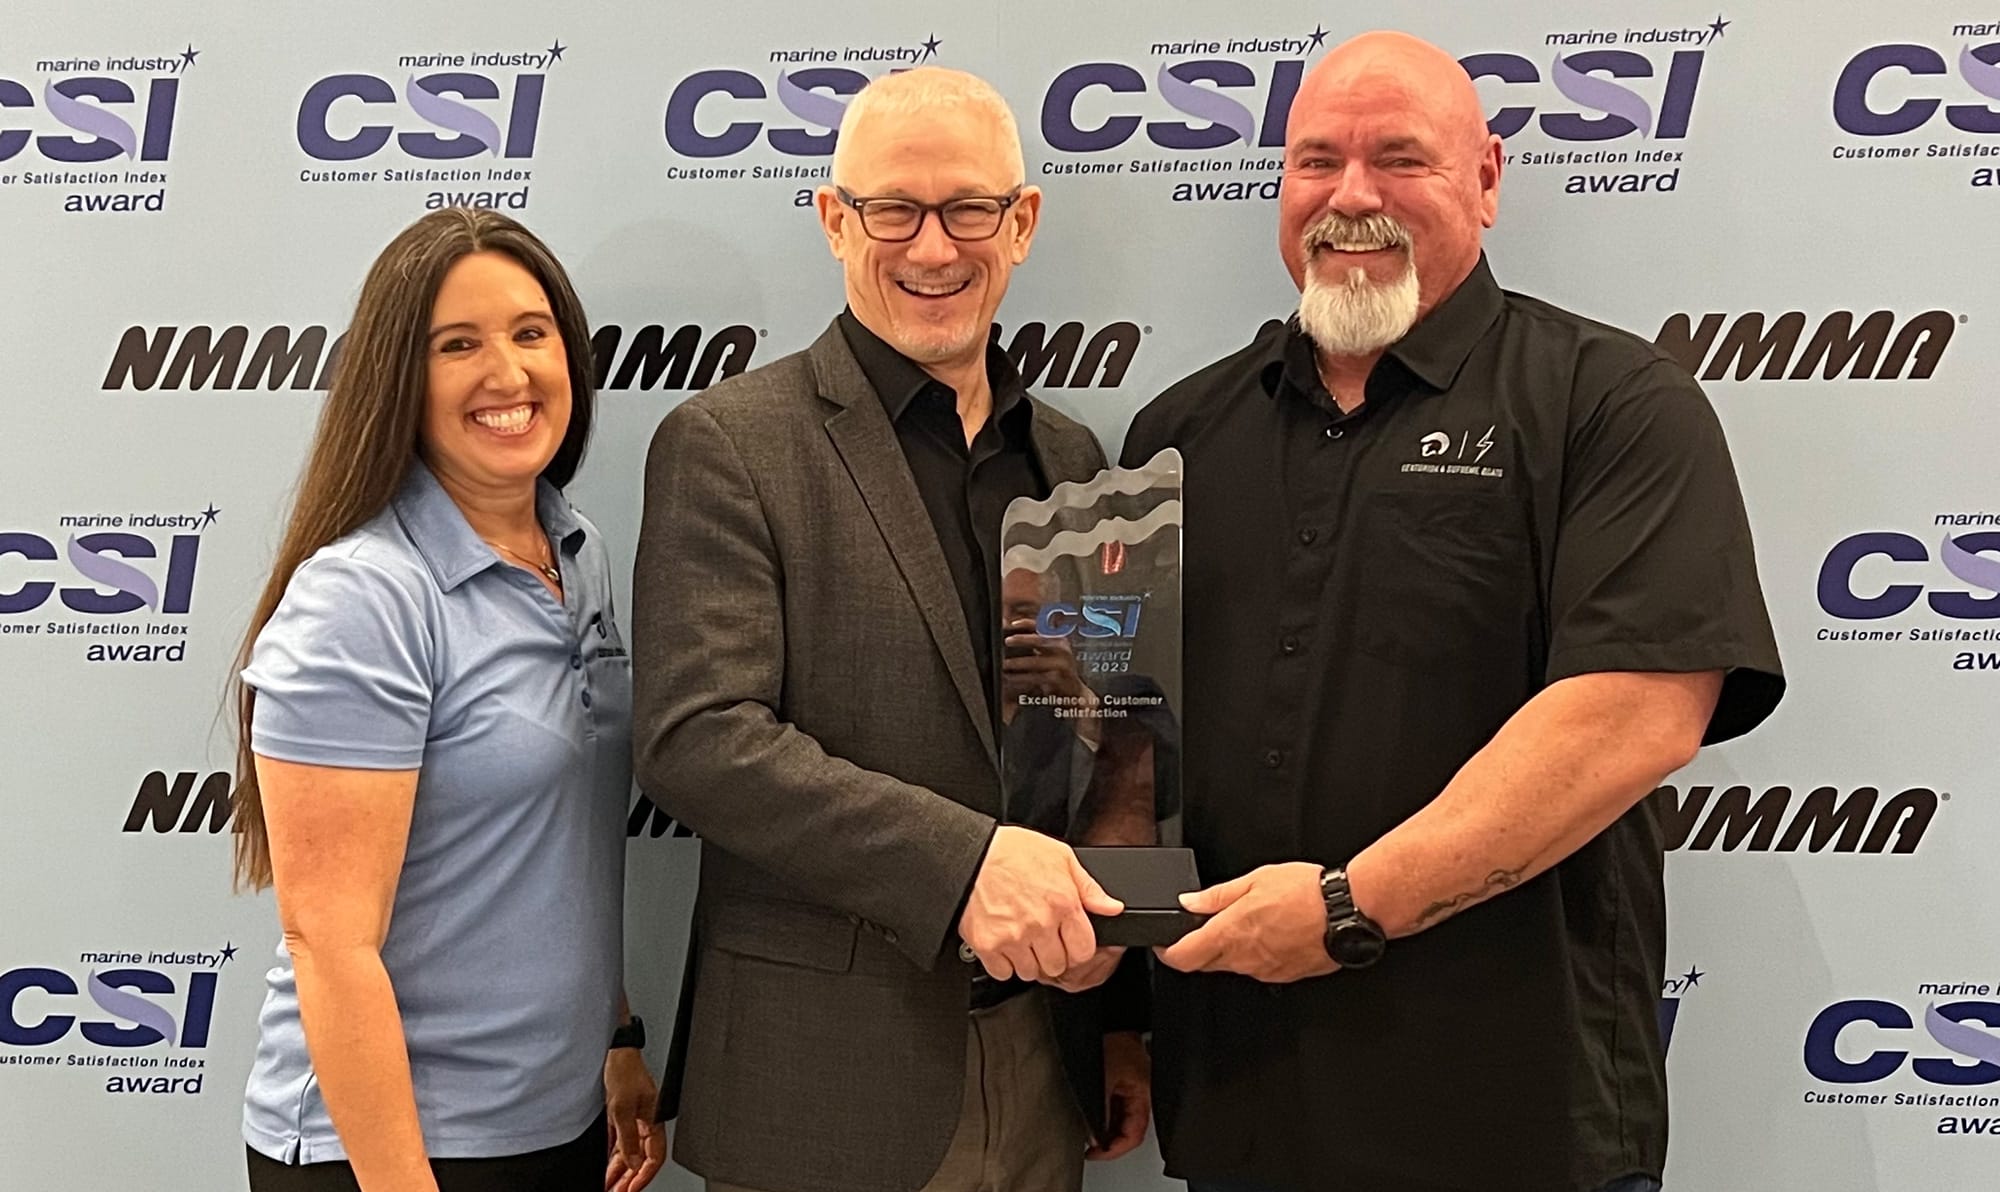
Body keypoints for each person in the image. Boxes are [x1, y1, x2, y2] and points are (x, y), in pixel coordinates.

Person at [1120, 31, 1787, 1192]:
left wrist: (1341, 908)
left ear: (1485, 178)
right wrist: (1115, 1011)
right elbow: (1122, 749)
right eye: (1314, 161)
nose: (1350, 197)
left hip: (1510, 1118)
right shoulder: (1176, 436)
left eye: (1398, 159)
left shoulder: (1612, 404)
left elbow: (1634, 714)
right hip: (1242, 1114)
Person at [632, 67, 1149, 1192]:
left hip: (1041, 1069)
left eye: (968, 209)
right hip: (819, 1080)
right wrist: (964, 866)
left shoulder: (1072, 462)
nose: (931, 248)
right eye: (891, 210)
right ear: (832, 219)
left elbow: (1107, 740)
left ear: (1020, 223)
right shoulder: (730, 443)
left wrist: (1118, 996)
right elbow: (697, 736)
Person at [228, 208, 664, 1192]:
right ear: (399, 380)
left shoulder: (575, 552)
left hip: (553, 1125)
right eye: (456, 344)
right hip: (393, 1151)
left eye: (529, 332)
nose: (506, 374)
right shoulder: (364, 596)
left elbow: (548, 849)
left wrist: (616, 1034)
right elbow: (328, 945)